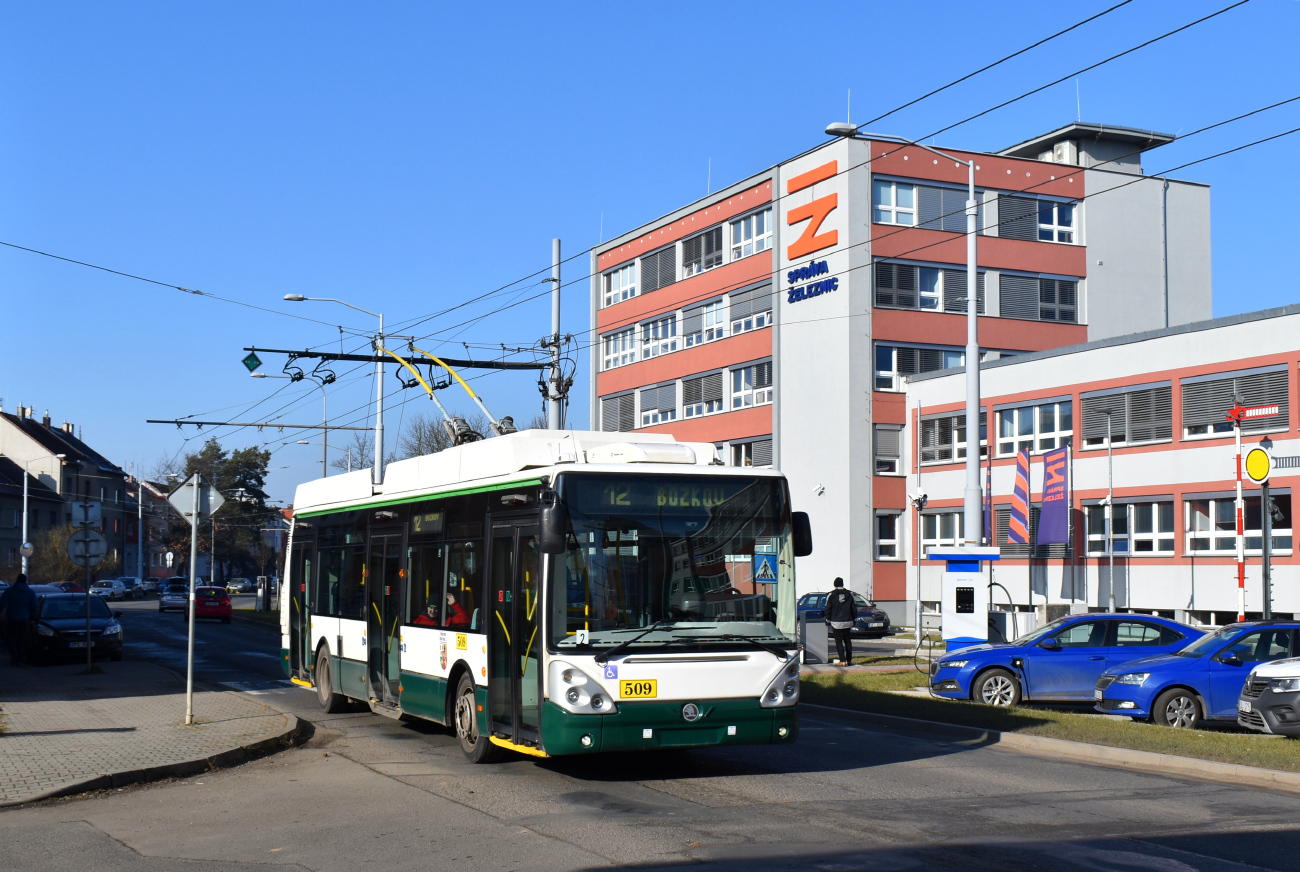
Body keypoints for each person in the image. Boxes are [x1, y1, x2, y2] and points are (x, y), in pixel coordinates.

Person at [0, 573, 39, 667]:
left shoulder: (9, 591)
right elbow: (34, 606)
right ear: (25, 581)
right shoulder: (30, 592)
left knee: (10, 637)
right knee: (22, 638)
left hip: (12, 618)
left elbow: (2, 604)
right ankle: (19, 657)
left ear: (16, 580)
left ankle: (14, 653)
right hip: (24, 619)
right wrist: (32, 616)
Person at [824, 577, 856, 667]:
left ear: (835, 585)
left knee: (839, 642)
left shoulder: (831, 595)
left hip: (836, 622)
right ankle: (849, 660)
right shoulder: (850, 594)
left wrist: (828, 619)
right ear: (842, 584)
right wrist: (854, 619)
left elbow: (827, 609)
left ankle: (842, 660)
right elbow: (854, 608)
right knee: (848, 641)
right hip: (848, 621)